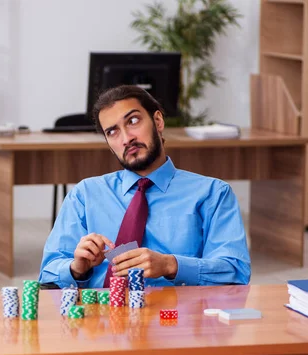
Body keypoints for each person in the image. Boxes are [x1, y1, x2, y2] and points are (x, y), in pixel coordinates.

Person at [39, 85, 250, 288]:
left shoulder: (213, 194)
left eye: (133, 121)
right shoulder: (85, 195)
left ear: (158, 121)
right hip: (100, 318)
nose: (126, 138)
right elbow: (48, 273)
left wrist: (171, 265)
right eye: (112, 132)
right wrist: (77, 268)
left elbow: (235, 271)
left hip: (179, 318)